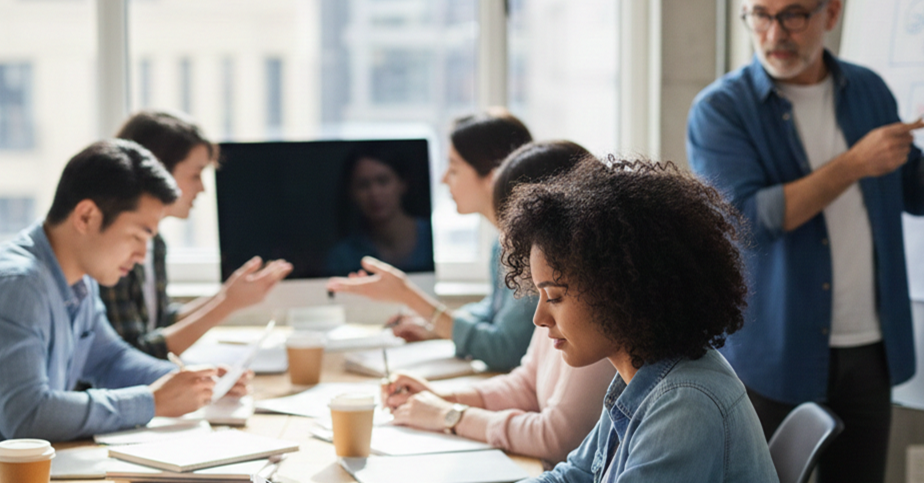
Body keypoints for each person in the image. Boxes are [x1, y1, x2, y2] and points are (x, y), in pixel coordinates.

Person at [685, 0, 924, 483]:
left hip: (869, 348)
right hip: (773, 349)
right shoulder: (721, 109)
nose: (773, 34)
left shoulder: (868, 91)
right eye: (759, 16)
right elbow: (748, 218)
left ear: (830, 12)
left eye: (792, 15)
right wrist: (853, 164)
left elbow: (919, 191)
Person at [498, 157, 777, 482]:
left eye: (555, 297)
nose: (539, 318)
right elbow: (573, 477)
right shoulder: (642, 375)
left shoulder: (684, 403)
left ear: (620, 288)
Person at [379, 141, 616, 467]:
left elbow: (557, 438)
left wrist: (451, 416)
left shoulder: (595, 314)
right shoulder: (554, 294)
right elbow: (526, 384)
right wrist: (442, 399)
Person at [0, 140, 245, 442]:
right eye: (138, 235)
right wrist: (152, 402)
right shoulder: (19, 285)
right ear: (86, 216)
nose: (142, 255)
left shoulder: (79, 278)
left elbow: (110, 359)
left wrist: (195, 381)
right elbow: (26, 416)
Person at [328, 108, 535, 372]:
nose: (443, 178)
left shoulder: (528, 250)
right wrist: (435, 326)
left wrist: (408, 296)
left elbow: (505, 349)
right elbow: (493, 312)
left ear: (492, 177)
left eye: (454, 168)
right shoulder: (502, 242)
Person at [103, 111, 293, 359]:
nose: (202, 188)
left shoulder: (156, 244)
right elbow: (132, 357)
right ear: (156, 171)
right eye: (195, 175)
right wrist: (227, 304)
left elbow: (160, 322)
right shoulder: (114, 251)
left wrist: (227, 295)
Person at [327, 144, 434, 275]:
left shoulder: (432, 237)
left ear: (403, 183)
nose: (374, 193)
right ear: (351, 193)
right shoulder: (343, 256)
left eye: (383, 181)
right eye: (363, 185)